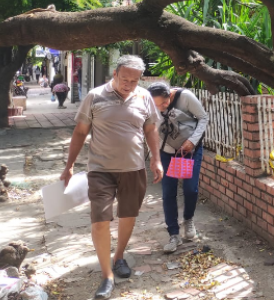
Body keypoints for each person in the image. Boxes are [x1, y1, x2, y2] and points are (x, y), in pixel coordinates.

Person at [59, 55, 163, 300]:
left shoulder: (145, 96)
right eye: (124, 78)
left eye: (134, 81)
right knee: (100, 220)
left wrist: (156, 159)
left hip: (133, 169)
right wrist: (69, 165)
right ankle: (107, 276)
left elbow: (150, 129)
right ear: (115, 74)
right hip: (100, 169)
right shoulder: (95, 96)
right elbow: (80, 132)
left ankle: (119, 257)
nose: (128, 84)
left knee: (128, 216)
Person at [147, 82, 208, 253]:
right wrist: (155, 157)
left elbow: (203, 118)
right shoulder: (150, 106)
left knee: (190, 189)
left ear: (170, 95)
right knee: (168, 192)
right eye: (157, 105)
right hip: (167, 151)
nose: (161, 108)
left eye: (164, 103)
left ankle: (188, 220)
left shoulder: (185, 97)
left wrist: (192, 141)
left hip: (188, 150)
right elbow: (151, 131)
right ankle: (174, 234)